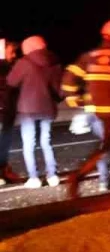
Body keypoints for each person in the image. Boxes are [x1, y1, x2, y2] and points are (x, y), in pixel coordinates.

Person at [62, 20, 110, 197]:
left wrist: (74, 99)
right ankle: (81, 177)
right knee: (104, 147)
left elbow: (69, 79)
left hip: (91, 110)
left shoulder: (90, 56)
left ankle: (104, 180)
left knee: (103, 146)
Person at [5, 36, 64, 188]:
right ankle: (52, 176)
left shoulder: (24, 63)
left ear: (28, 48)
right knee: (46, 141)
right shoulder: (55, 62)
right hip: (48, 108)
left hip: (27, 109)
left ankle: (34, 178)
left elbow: (11, 82)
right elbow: (60, 90)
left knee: (28, 144)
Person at [0, 39, 20, 185]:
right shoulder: (5, 68)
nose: (13, 55)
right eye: (11, 52)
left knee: (4, 144)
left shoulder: (9, 67)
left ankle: (3, 171)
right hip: (3, 111)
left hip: (7, 111)